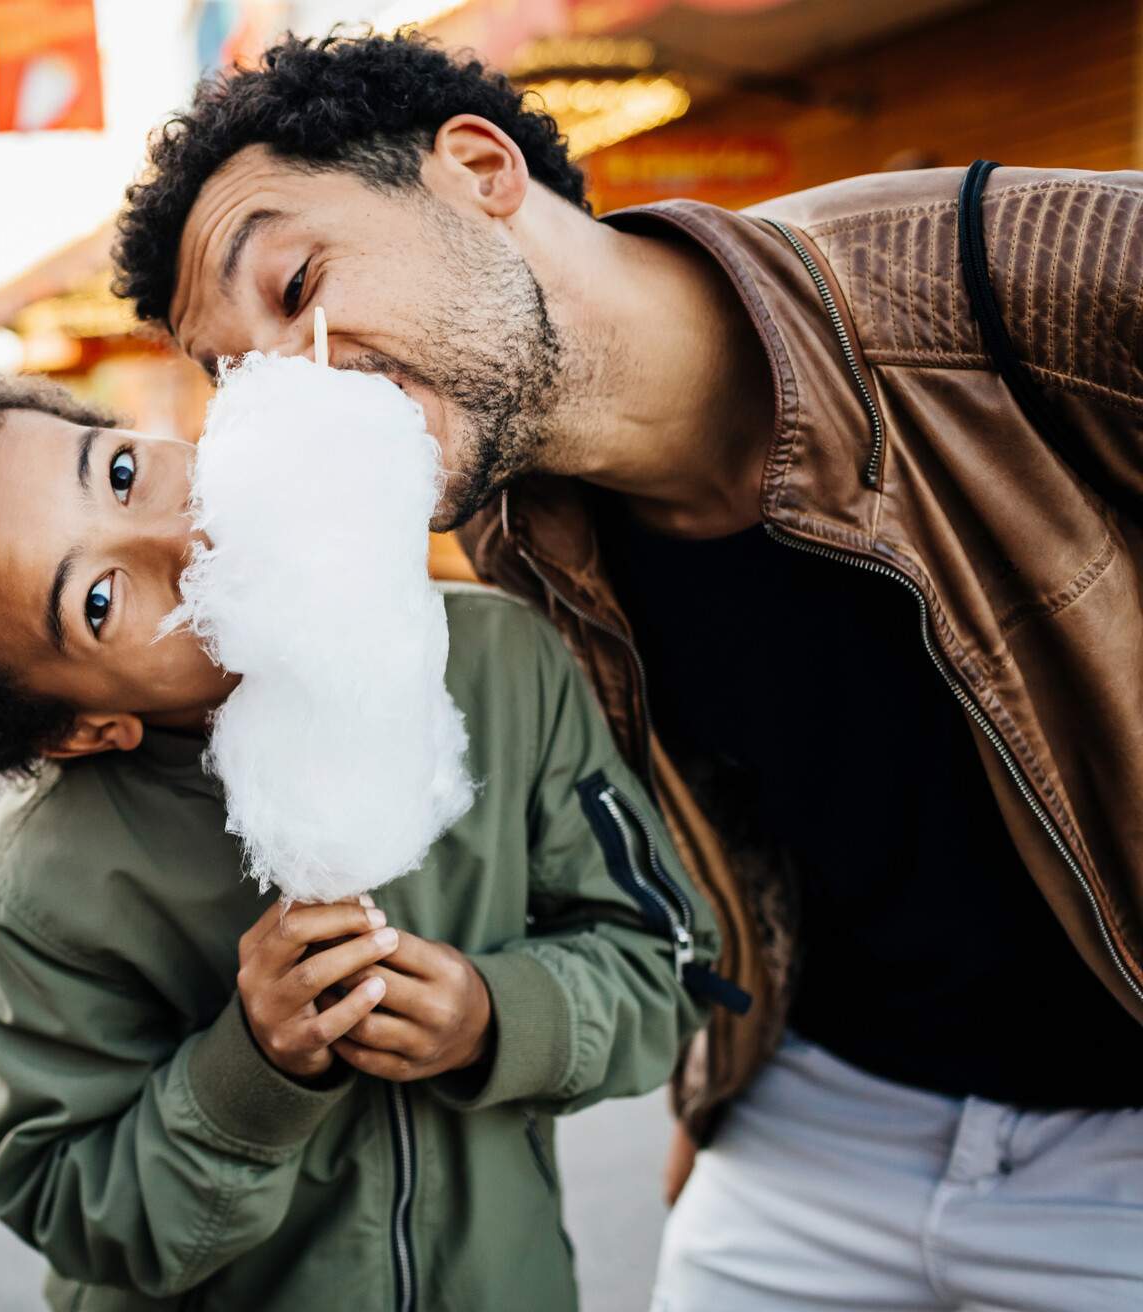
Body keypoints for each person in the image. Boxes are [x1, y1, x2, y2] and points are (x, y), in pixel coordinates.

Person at [108, 31, 1143, 1308]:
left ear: (477, 169)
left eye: (296, 278)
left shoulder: (1020, 271)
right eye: (233, 373)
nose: (284, 385)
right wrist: (725, 1073)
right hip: (819, 1120)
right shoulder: (510, 536)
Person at [0, 365, 727, 1311]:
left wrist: (496, 1018)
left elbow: (671, 961)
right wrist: (255, 1071)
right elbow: (72, 1205)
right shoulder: (45, 881)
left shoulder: (498, 662)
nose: (184, 534)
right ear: (78, 730)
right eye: (101, 603)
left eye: (120, 473)